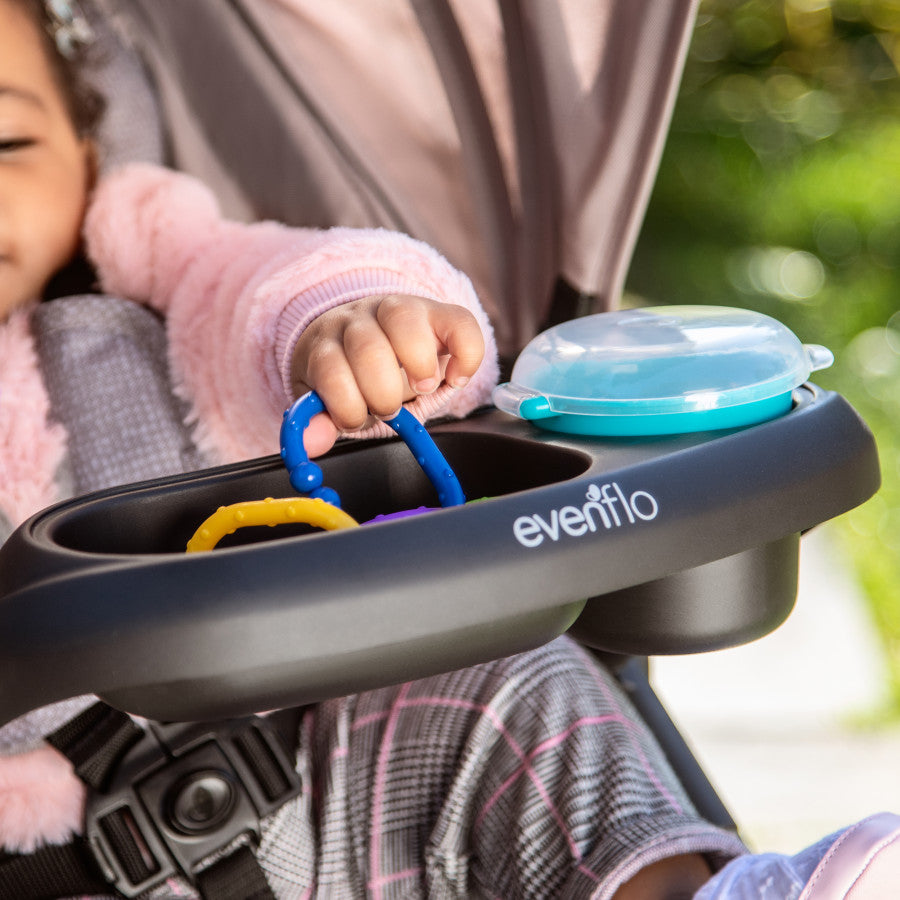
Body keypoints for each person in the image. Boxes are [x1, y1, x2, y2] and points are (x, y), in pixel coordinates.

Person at [0, 2, 897, 898]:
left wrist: (354, 325)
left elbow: (262, 284)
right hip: (51, 864)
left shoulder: (145, 282)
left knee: (507, 679)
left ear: (89, 150)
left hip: (318, 769)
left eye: (8, 145)